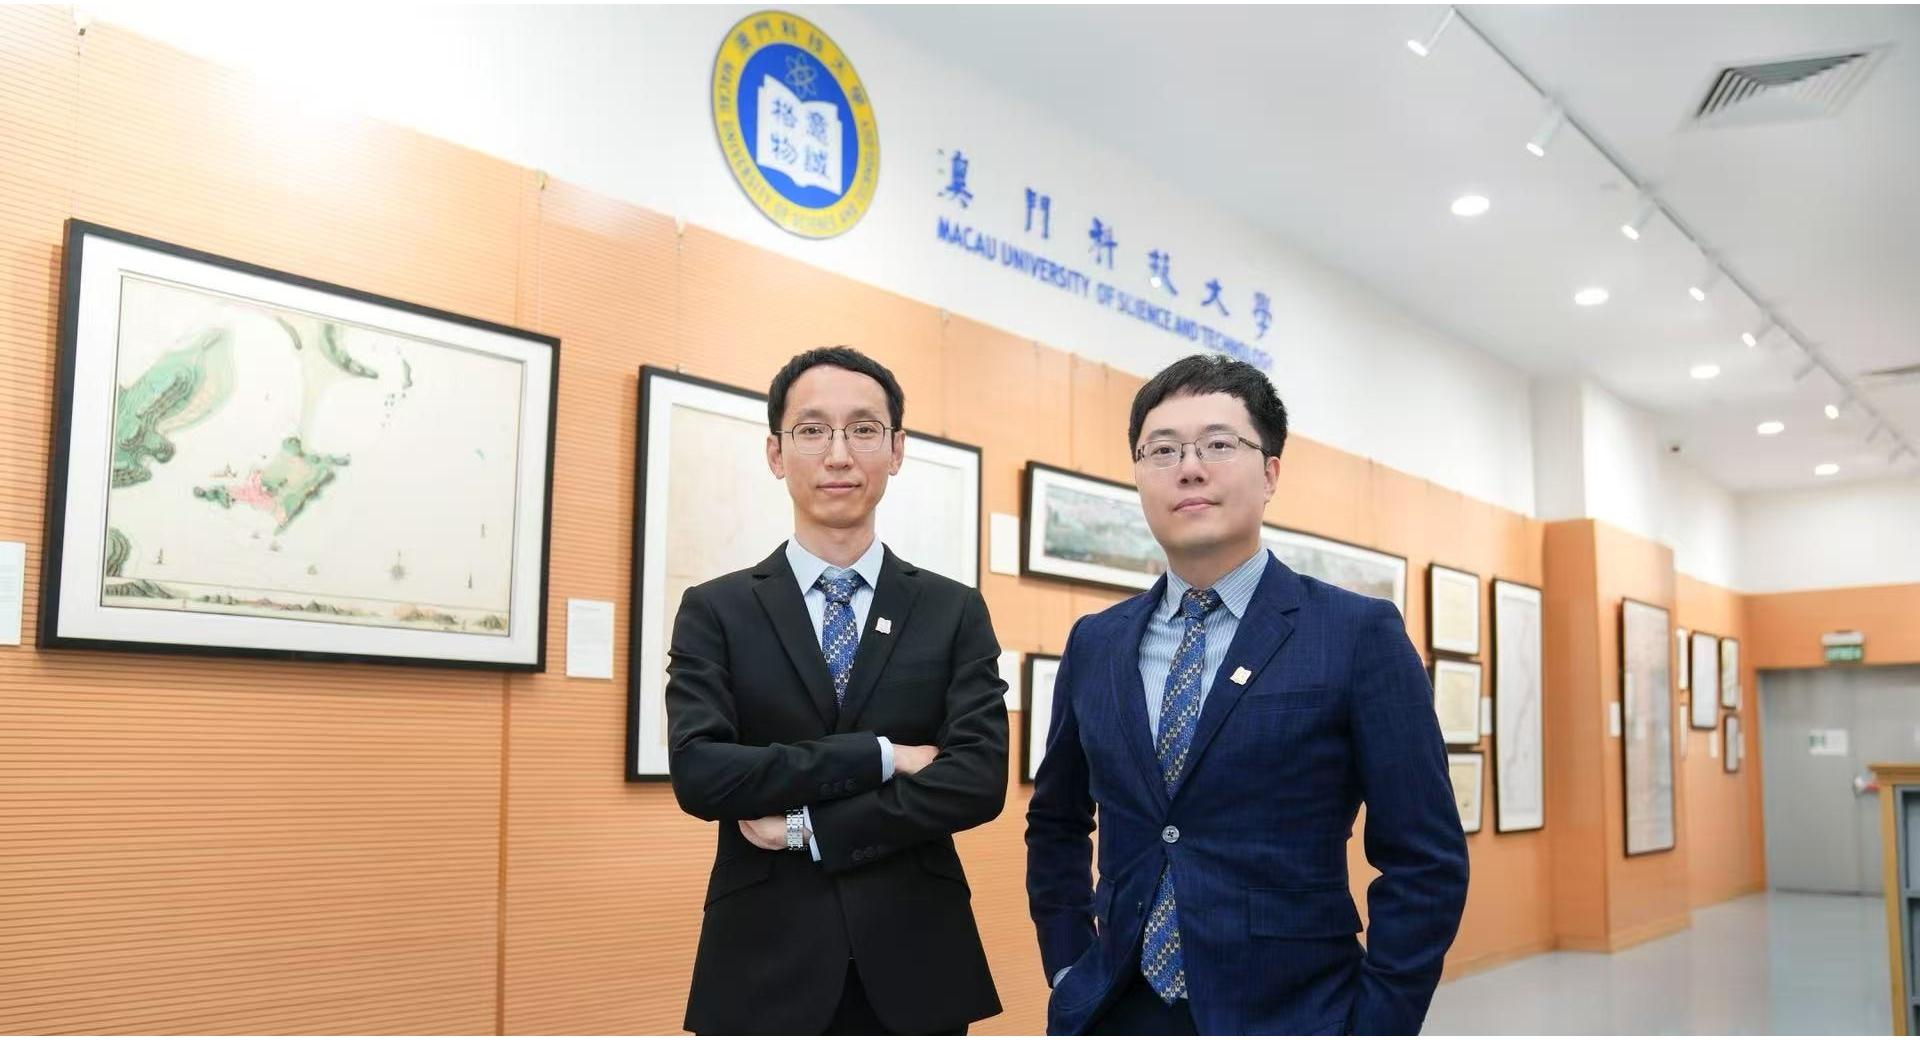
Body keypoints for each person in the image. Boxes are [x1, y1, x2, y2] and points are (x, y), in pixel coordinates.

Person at [1026, 353, 1469, 1035]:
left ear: (1270, 474)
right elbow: (1057, 820)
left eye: (1218, 444)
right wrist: (1067, 964)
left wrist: (1377, 1022)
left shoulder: (1356, 634)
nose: (1189, 468)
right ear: (1139, 475)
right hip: (1116, 1008)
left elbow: (1425, 859)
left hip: (1297, 1011)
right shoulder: (1097, 642)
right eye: (1162, 450)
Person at [667, 346, 1008, 1035]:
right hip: (762, 959)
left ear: (897, 450)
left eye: (863, 429)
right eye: (813, 430)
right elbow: (702, 775)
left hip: (918, 955)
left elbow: (977, 781)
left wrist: (807, 829)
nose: (839, 454)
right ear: (775, 453)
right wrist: (881, 755)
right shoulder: (716, 610)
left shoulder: (952, 610)